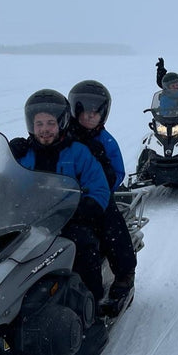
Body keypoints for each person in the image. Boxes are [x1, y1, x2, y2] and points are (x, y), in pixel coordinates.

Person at [9, 89, 110, 302]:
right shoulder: (23, 153)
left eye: (50, 123)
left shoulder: (78, 152)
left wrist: (83, 208)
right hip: (28, 220)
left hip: (69, 220)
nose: (45, 130)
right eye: (39, 124)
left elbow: (99, 188)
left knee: (83, 245)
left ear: (61, 123)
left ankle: (93, 301)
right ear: (31, 126)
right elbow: (5, 181)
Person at [68, 79, 137, 308]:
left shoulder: (105, 141)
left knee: (110, 222)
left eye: (95, 113)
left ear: (103, 114)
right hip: (60, 198)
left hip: (93, 197)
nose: (89, 116)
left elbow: (117, 173)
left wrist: (101, 179)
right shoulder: (63, 135)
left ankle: (124, 273)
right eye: (84, 111)